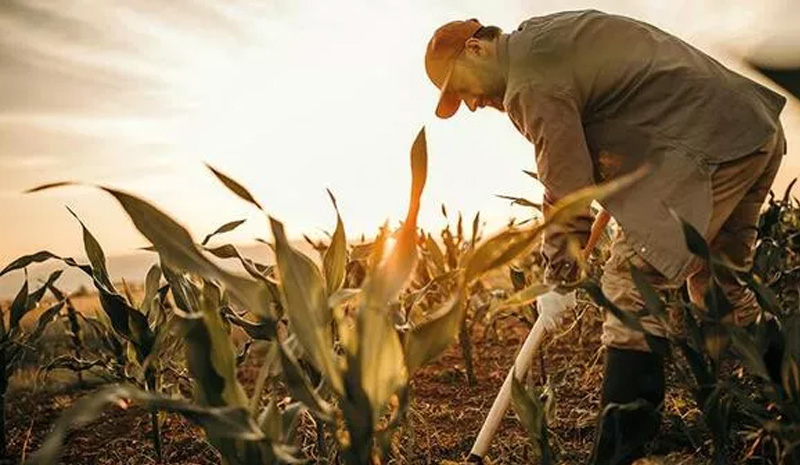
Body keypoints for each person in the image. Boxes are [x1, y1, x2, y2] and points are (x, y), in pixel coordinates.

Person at [424, 10, 787, 464]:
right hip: (747, 130)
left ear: (476, 49)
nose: (472, 104)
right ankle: (791, 399)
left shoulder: (530, 81)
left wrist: (558, 275)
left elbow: (567, 186)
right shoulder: (541, 41)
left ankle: (618, 455)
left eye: (461, 89)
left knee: (629, 288)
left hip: (707, 146)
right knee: (723, 293)